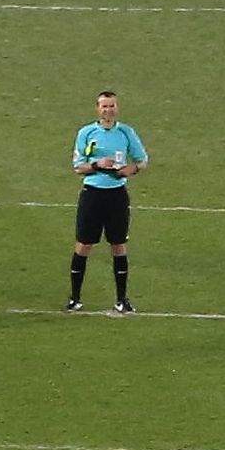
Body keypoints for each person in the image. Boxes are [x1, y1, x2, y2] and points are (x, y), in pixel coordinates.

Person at [69, 87, 144, 310]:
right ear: (97, 109)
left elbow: (141, 160)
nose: (108, 110)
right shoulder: (86, 133)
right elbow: (77, 167)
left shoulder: (127, 133)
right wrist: (96, 165)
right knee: (83, 245)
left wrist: (131, 170)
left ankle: (122, 300)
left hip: (117, 195)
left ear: (117, 108)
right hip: (92, 194)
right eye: (104, 106)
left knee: (118, 245)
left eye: (111, 106)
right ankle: (75, 299)